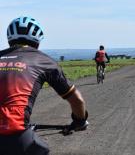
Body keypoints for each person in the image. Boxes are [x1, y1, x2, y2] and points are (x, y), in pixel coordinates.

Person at [0, 16, 88, 155]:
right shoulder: (44, 61)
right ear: (37, 41)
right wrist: (80, 121)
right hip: (14, 134)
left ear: (9, 39)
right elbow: (77, 101)